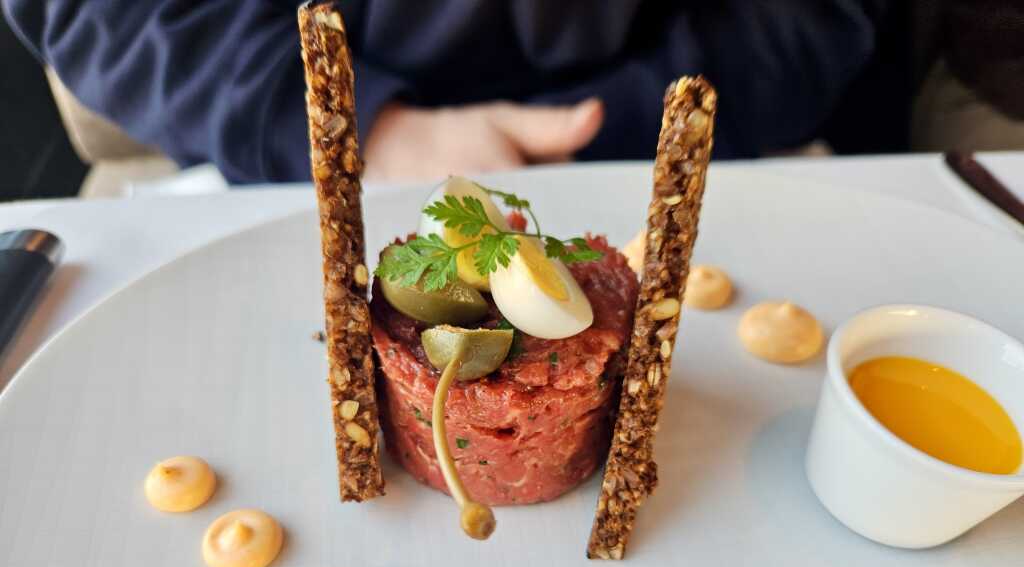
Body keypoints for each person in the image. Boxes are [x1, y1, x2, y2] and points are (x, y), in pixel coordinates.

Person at [3, 1, 890, 183]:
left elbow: (813, 19)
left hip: (673, 131)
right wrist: (363, 128)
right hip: (311, 146)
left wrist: (616, 127)